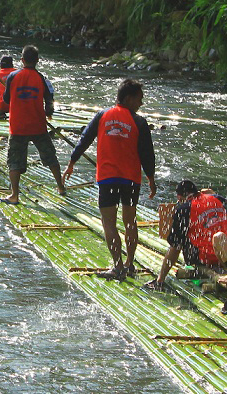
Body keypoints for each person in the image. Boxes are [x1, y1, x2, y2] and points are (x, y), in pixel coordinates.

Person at [64, 79, 157, 280]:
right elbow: (147, 153)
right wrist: (151, 177)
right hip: (131, 179)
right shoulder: (139, 122)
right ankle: (130, 264)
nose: (141, 104)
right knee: (130, 222)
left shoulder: (102, 116)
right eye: (139, 99)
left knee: (109, 222)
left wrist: (72, 162)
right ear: (129, 98)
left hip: (107, 179)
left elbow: (85, 139)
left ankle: (118, 266)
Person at [0, 45, 66, 205]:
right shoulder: (42, 78)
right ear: (37, 61)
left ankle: (14, 195)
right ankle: (61, 187)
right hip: (38, 125)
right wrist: (48, 112)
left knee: (14, 161)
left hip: (18, 127)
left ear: (22, 60)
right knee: (50, 156)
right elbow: (50, 99)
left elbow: (7, 100)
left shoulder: (12, 77)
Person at [146, 180, 227, 290]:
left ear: (180, 197)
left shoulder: (184, 210)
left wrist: (160, 278)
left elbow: (175, 248)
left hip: (206, 259)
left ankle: (200, 267)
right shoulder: (218, 199)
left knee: (180, 238)